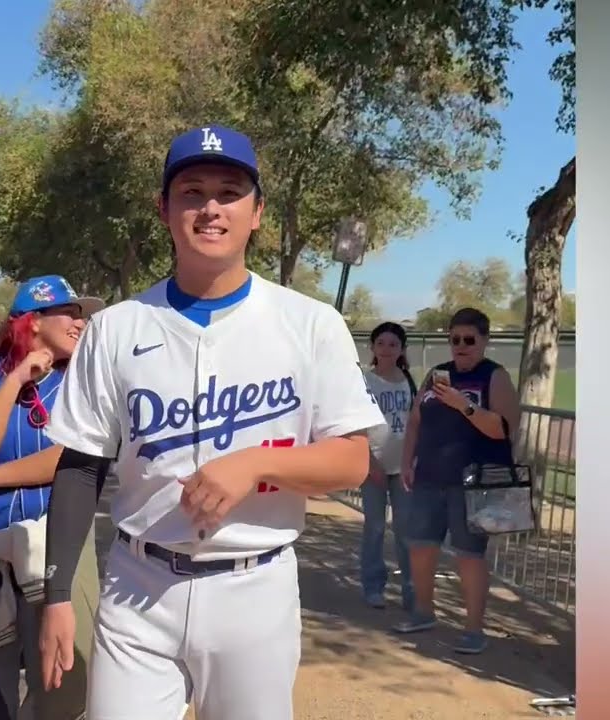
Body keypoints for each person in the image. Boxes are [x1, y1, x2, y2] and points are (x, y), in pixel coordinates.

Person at [37, 125, 385, 720]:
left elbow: (351, 461)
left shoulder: (310, 324)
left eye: (229, 192)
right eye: (192, 192)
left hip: (255, 586)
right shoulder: (116, 327)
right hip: (137, 584)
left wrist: (255, 464)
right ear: (164, 209)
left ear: (257, 212)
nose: (211, 208)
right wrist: (57, 594)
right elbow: (81, 464)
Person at [0, 275, 105, 720]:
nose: (80, 322)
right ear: (32, 320)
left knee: (64, 679)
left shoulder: (82, 379)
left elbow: (72, 459)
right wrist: (14, 380)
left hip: (59, 541)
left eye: (82, 315)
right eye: (69, 312)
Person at [394, 307, 520, 655]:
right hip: (428, 476)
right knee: (420, 545)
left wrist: (464, 405)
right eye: (455, 340)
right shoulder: (437, 374)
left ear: (484, 341)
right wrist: (407, 462)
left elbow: (504, 428)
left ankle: (474, 629)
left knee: (468, 554)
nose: (461, 346)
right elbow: (415, 421)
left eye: (469, 340)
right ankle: (423, 613)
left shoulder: (494, 376)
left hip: (472, 483)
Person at [359, 321, 418, 610]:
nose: (386, 349)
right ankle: (373, 585)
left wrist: (413, 461)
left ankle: (412, 589)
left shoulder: (408, 381)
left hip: (402, 466)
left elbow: (415, 423)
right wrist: (371, 464)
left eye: (393, 344)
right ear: (372, 347)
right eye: (381, 343)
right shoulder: (364, 381)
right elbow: (356, 425)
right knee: (375, 527)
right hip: (373, 466)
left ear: (402, 349)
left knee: (405, 530)